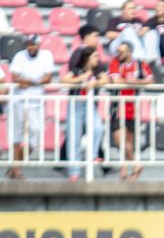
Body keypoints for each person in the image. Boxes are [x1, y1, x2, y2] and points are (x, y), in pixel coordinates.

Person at [7, 35, 55, 180]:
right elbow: (15, 77)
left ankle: (15, 166)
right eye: (28, 44)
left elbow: (48, 78)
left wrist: (29, 81)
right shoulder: (19, 56)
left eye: (33, 44)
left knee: (35, 136)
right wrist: (34, 81)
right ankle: (16, 170)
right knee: (16, 136)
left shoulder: (46, 55)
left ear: (39, 44)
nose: (31, 47)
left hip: (36, 101)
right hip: (18, 100)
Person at [62, 46, 109, 182]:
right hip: (76, 104)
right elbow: (65, 80)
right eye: (95, 56)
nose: (97, 59)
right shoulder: (77, 69)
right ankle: (74, 171)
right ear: (87, 58)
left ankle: (93, 155)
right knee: (74, 138)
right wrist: (81, 78)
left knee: (98, 128)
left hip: (89, 105)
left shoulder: (97, 70)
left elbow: (105, 79)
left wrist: (95, 82)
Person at [108, 41, 153, 180]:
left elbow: (149, 80)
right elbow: (116, 81)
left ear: (129, 52)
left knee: (128, 141)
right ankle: (135, 164)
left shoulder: (140, 64)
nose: (118, 54)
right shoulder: (115, 62)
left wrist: (134, 82)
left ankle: (124, 171)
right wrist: (131, 81)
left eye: (121, 52)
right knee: (118, 138)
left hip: (133, 108)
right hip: (117, 107)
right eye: (118, 51)